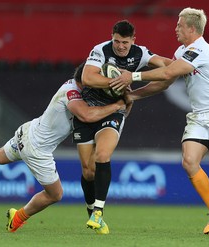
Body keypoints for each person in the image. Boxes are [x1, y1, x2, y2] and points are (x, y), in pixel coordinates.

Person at [109, 8, 209, 236]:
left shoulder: (200, 50)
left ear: (191, 29)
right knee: (189, 161)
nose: (176, 29)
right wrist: (133, 95)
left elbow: (166, 72)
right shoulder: (182, 50)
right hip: (199, 115)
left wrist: (131, 76)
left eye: (179, 26)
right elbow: (166, 81)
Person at [0, 62, 126, 233]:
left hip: (28, 131)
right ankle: (18, 217)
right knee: (55, 195)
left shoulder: (72, 86)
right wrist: (116, 107)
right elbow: (87, 116)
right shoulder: (72, 93)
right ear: (87, 79)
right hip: (37, 148)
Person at [73, 19, 172, 234]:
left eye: (125, 43)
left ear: (133, 40)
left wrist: (134, 93)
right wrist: (118, 81)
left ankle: (98, 212)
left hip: (114, 110)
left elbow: (169, 68)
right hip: (89, 110)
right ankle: (91, 211)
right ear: (112, 37)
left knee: (102, 156)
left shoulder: (140, 53)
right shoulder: (101, 50)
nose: (120, 46)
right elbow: (87, 78)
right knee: (88, 171)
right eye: (117, 41)